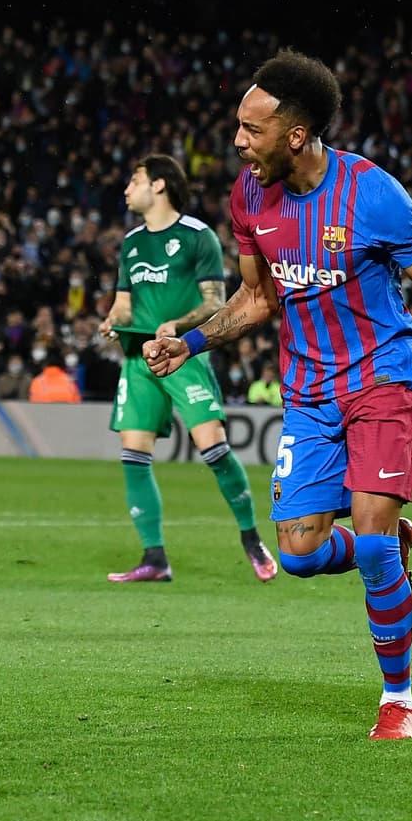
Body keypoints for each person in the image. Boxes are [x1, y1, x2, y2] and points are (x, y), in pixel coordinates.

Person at [141, 50, 412, 740]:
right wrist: (190, 342)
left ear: (295, 135)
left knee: (372, 545)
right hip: (310, 392)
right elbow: (257, 297)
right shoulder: (249, 195)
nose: (238, 141)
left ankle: (398, 698)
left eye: (251, 129)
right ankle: (390, 544)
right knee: (298, 553)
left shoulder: (373, 194)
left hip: (383, 378)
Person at [99, 154, 277, 585]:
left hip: (183, 357)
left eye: (135, 180)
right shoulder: (131, 243)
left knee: (213, 448)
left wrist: (177, 325)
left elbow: (215, 302)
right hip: (138, 360)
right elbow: (123, 304)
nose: (127, 189)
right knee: (133, 454)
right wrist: (111, 321)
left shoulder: (198, 237)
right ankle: (155, 558)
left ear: (159, 185)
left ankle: (251, 538)